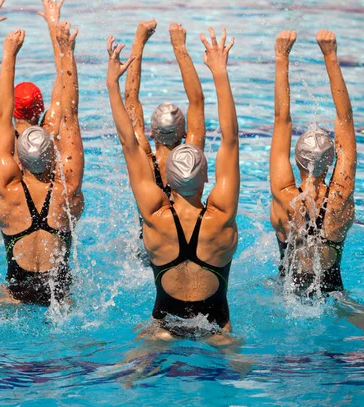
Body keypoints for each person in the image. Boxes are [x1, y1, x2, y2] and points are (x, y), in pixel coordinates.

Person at [107, 27, 239, 339]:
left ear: (167, 176)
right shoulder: (221, 217)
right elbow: (230, 140)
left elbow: (128, 144)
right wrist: (219, 72)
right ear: (207, 176)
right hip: (217, 331)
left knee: (131, 374)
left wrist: (112, 83)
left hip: (161, 328)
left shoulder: (153, 214)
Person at [0, 22, 84, 306]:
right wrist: (67, 53)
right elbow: (70, 114)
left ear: (18, 154)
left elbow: (4, 115)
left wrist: (9, 55)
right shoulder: (68, 188)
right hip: (61, 297)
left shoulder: (6, 189)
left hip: (14, 297)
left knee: (0, 296)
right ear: (53, 155)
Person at [270, 30, 356, 296]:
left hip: (287, 299)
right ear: (331, 161)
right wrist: (330, 55)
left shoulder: (285, 196)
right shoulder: (340, 197)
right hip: (333, 294)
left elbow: (281, 119)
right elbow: (345, 119)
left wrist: (281, 56)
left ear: (296, 161)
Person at [125, 21, 206, 200]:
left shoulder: (144, 164)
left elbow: (131, 100)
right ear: (185, 133)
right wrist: (179, 47)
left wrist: (139, 41)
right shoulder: (193, 159)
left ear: (152, 134)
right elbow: (197, 102)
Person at [0, 0, 64, 142]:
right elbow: (63, 75)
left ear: (11, 108)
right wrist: (53, 23)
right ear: (41, 108)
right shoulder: (51, 131)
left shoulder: (1, 137)